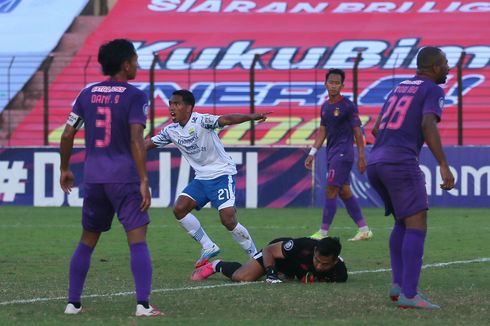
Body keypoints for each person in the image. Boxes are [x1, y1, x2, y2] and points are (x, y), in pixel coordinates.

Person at [59, 39, 162, 317]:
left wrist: (65, 168)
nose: (138, 65)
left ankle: (73, 303)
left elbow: (67, 134)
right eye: (136, 60)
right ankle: (143, 305)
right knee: (137, 240)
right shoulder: (135, 96)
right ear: (126, 64)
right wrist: (143, 179)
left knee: (87, 240)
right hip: (125, 178)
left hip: (94, 177)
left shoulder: (87, 93)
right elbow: (135, 139)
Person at [367, 46, 455, 309]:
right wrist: (443, 164)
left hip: (376, 160)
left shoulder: (399, 87)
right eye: (446, 63)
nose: (449, 68)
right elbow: (427, 124)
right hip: (400, 162)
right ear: (436, 66)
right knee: (417, 224)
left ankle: (398, 286)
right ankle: (409, 294)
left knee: (403, 223)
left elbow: (375, 127)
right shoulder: (432, 89)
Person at [147, 89, 270, 268]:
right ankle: (208, 245)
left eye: (177, 104)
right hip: (202, 178)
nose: (172, 108)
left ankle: (256, 256)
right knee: (180, 209)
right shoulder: (170, 131)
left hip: (221, 173)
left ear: (189, 108)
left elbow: (226, 120)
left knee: (228, 219)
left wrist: (252, 116)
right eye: (171, 104)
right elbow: (147, 144)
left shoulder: (201, 121)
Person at [305, 68, 373, 241]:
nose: (334, 86)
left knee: (331, 189)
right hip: (331, 153)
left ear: (342, 85)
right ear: (325, 84)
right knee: (344, 191)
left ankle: (322, 233)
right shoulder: (325, 106)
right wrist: (312, 152)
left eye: (337, 83)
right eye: (331, 82)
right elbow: (322, 131)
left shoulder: (348, 105)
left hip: (344, 153)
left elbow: (358, 132)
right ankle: (364, 230)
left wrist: (362, 156)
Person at [191, 236, 347, 284]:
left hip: (291, 265)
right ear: (314, 251)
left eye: (324, 264)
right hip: (274, 254)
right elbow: (268, 251)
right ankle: (216, 265)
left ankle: (283, 273)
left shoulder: (339, 274)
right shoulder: (302, 246)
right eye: (316, 260)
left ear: (334, 262)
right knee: (242, 277)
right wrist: (271, 274)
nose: (319, 266)